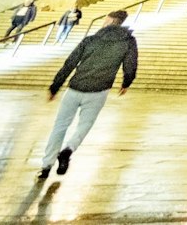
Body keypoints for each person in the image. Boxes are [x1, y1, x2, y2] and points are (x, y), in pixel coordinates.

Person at [38, 11, 139, 180]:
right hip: (99, 91)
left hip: (75, 88)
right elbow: (131, 64)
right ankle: (68, 150)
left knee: (60, 126)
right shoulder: (128, 42)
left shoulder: (91, 39)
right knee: (85, 125)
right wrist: (126, 83)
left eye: (105, 19)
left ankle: (46, 166)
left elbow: (70, 63)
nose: (103, 22)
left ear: (112, 21)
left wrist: (55, 86)